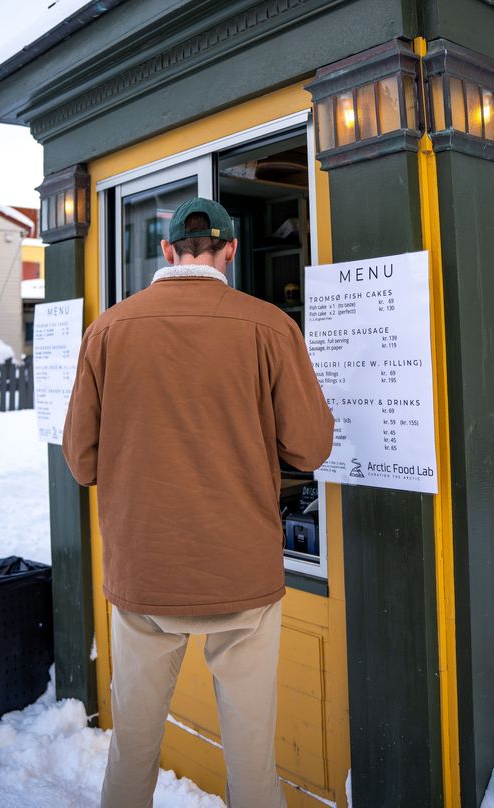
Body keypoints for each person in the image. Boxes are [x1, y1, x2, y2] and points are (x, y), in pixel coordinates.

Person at [62, 197, 334, 808]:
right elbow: (312, 447)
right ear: (231, 251)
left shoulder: (107, 330)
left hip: (145, 574)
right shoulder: (270, 327)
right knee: (252, 763)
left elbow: (81, 461)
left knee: (131, 750)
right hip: (242, 574)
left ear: (166, 252)